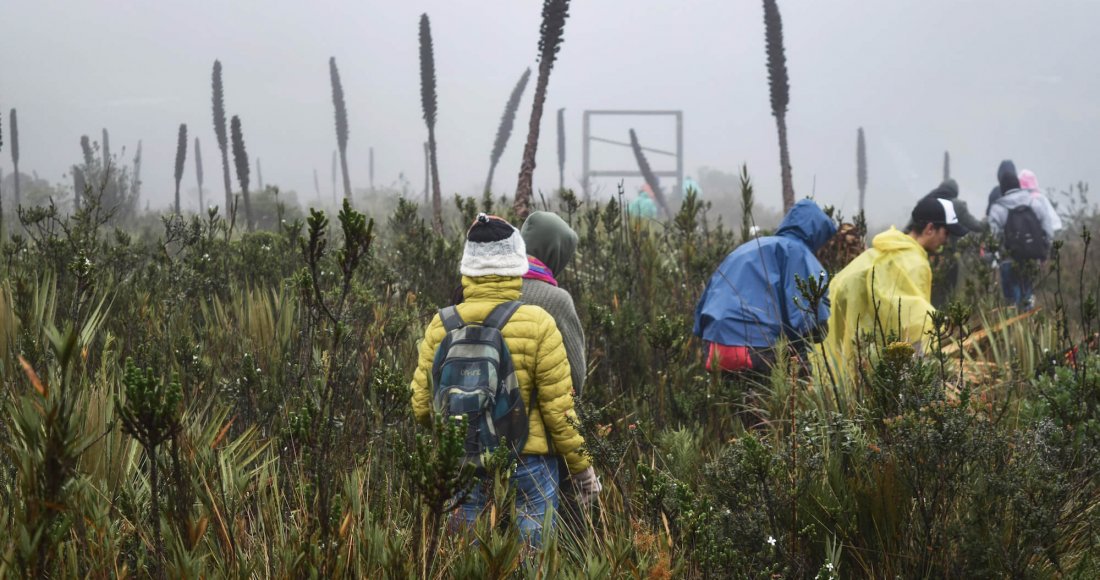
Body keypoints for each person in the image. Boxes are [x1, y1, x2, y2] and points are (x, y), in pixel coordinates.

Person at [409, 213, 600, 544]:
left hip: (464, 461)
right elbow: (560, 412)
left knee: (467, 559)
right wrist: (583, 469)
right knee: (533, 564)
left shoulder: (441, 324)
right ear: (517, 262)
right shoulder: (538, 322)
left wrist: (464, 429)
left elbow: (422, 408)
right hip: (529, 463)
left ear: (467, 266)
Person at [694, 199, 837, 380]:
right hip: (757, 347)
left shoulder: (746, 249)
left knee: (732, 402)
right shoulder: (797, 252)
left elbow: (705, 302)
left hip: (715, 344)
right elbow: (811, 322)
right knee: (786, 391)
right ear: (817, 234)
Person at [822, 196, 968, 371]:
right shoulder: (914, 262)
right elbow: (913, 322)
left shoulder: (885, 250)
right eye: (946, 233)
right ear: (930, 228)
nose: (947, 240)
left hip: (852, 343)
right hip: (876, 354)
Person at [520, 211, 586, 397]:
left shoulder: (492, 285)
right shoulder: (556, 301)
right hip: (537, 418)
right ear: (556, 253)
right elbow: (575, 376)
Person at [987, 164, 1063, 310]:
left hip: (1008, 260)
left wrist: (993, 257)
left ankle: (1015, 326)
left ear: (1002, 189)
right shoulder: (1034, 202)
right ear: (1019, 185)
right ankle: (1028, 323)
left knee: (1011, 299)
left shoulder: (997, 209)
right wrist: (1044, 252)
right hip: (1031, 257)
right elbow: (1047, 229)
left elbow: (994, 237)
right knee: (1027, 292)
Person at [923, 178, 985, 307]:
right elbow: (975, 225)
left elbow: (909, 229)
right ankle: (941, 320)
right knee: (947, 292)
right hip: (948, 256)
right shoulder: (956, 205)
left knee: (928, 291)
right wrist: (987, 221)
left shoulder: (927, 202)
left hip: (926, 256)